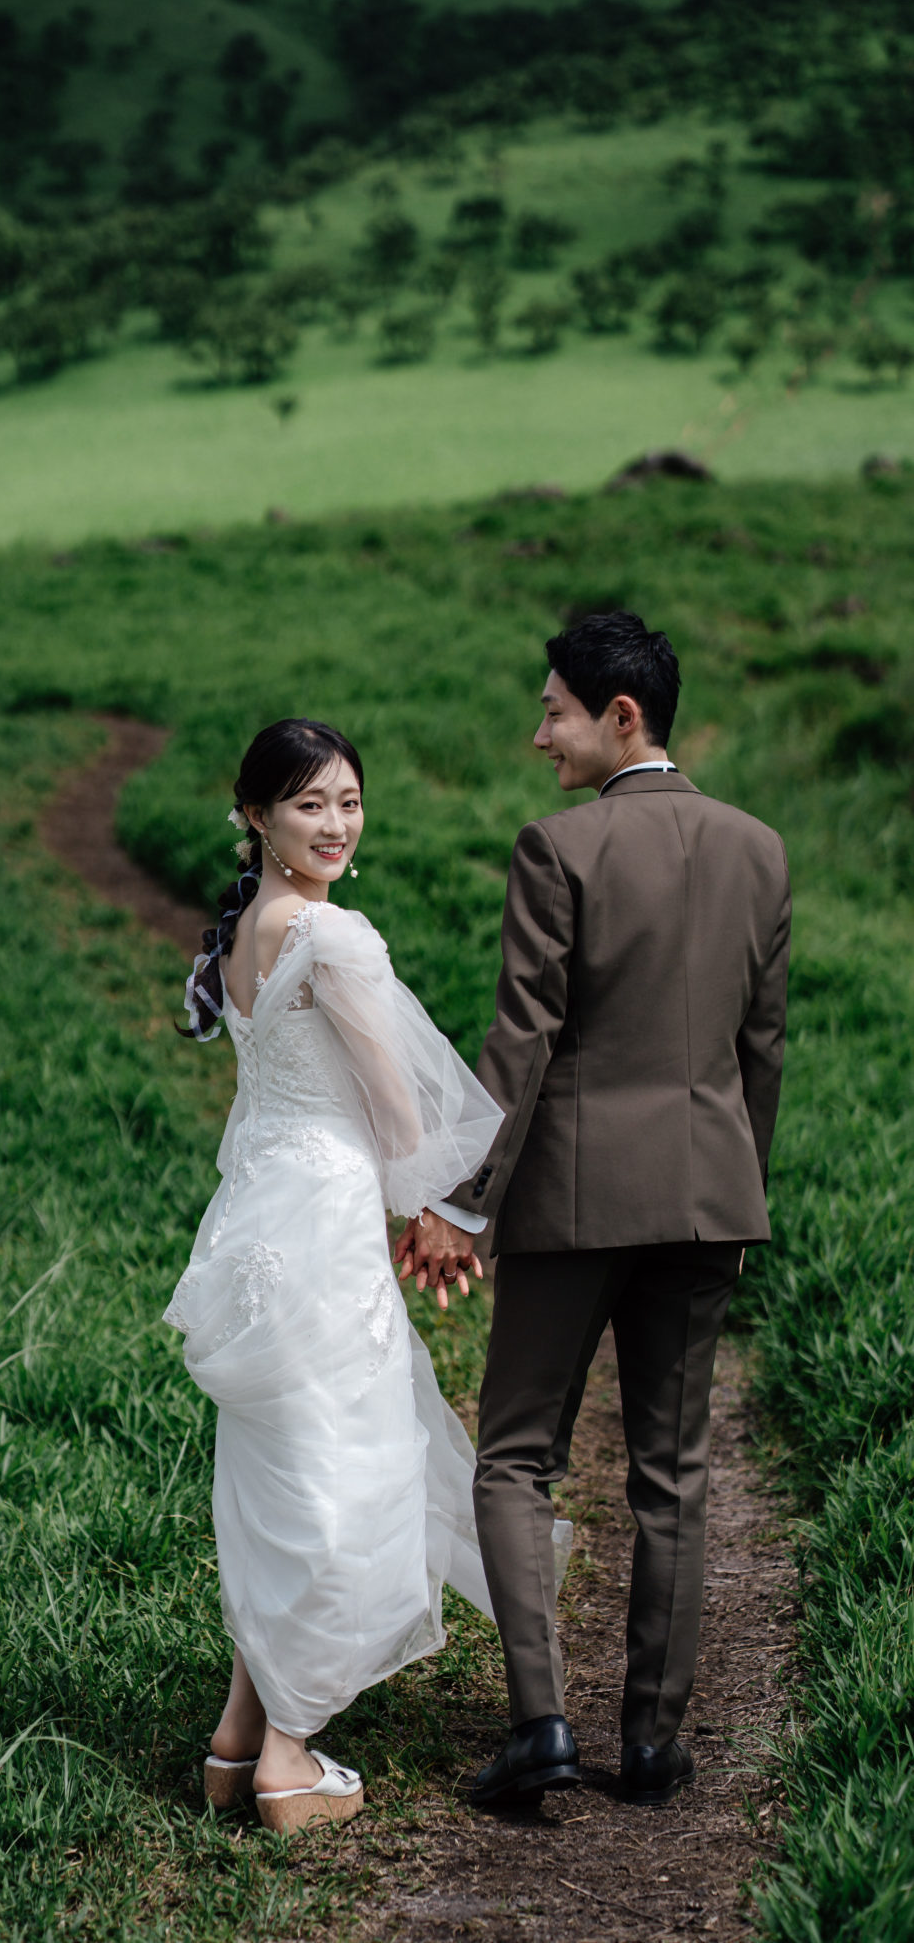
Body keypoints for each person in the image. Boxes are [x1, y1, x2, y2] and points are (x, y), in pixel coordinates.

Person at [397, 610, 791, 1808]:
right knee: (674, 1471)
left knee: (514, 1456)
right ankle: (656, 1743)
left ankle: (541, 1729)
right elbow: (760, 1048)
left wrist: (461, 1202)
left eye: (554, 709)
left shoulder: (556, 847)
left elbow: (521, 1043)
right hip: (708, 1197)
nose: (538, 734)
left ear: (623, 716)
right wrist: (734, 1184)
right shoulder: (759, 848)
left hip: (571, 1200)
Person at [165, 718, 570, 1833]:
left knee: (280, 1468)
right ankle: (291, 1760)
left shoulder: (246, 928)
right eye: (308, 803)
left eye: (347, 799)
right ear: (254, 815)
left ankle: (237, 1737)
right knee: (348, 1472)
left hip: (256, 1216)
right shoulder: (336, 938)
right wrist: (450, 1214)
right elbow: (403, 1121)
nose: (335, 822)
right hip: (324, 1218)